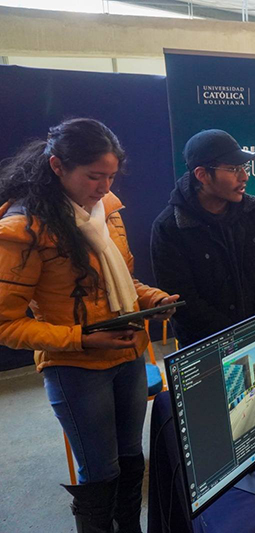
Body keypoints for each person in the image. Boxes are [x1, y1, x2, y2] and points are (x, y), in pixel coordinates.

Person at [0, 118, 179, 532]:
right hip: (75, 369)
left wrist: (152, 299)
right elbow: (6, 324)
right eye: (94, 176)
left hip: (129, 354)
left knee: (131, 460)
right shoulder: (24, 228)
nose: (103, 186)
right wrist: (83, 338)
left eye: (111, 176)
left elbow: (123, 281)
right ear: (57, 166)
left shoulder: (107, 211)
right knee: (100, 472)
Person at [151, 129, 255, 347]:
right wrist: (232, 336)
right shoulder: (170, 227)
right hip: (205, 346)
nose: (244, 176)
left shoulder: (252, 210)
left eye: (243, 167)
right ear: (202, 175)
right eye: (233, 169)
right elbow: (183, 301)